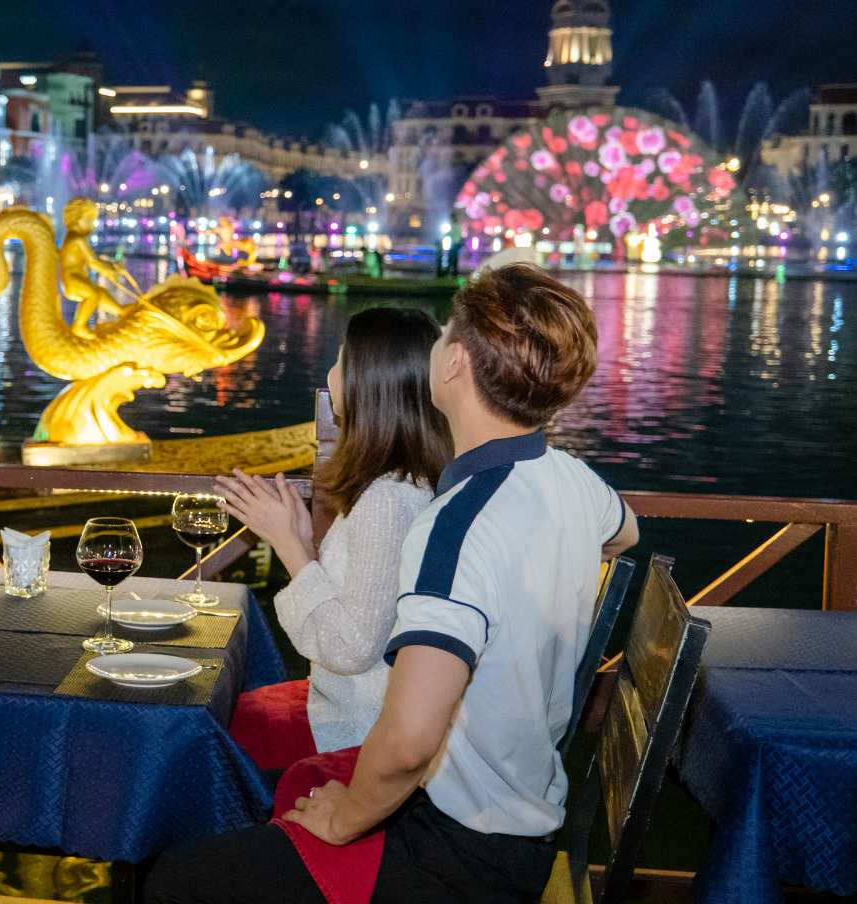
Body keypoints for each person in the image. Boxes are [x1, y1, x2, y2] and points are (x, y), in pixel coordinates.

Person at [146, 263, 640, 904]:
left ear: (455, 363)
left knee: (173, 884)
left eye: (440, 337)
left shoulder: (454, 529)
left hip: (454, 841)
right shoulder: (571, 481)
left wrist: (345, 817)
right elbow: (623, 533)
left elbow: (406, 744)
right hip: (525, 807)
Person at [214, 307, 451, 767]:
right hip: (345, 705)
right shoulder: (403, 482)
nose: (331, 372)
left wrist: (287, 547)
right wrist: (302, 543)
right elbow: (364, 605)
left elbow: (352, 647)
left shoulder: (388, 499)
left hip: (353, 727)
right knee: (219, 716)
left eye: (342, 361)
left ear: (370, 383)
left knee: (201, 736)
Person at [59, 196, 137, 337]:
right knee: (93, 294)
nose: (93, 225)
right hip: (73, 281)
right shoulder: (76, 238)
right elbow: (92, 262)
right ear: (77, 218)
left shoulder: (75, 237)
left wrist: (111, 266)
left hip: (79, 281)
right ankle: (79, 326)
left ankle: (121, 311)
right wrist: (108, 272)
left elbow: (94, 259)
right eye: (90, 220)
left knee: (100, 293)